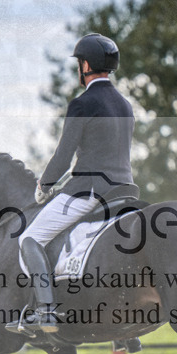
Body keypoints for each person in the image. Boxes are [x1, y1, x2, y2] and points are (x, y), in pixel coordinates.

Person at [12, 33, 137, 334]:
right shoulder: (125, 105)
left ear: (85, 65)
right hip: (126, 191)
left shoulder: (82, 104)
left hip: (90, 192)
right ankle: (126, 337)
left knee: (29, 239)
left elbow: (63, 156)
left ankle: (46, 312)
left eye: (79, 64)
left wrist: (44, 186)